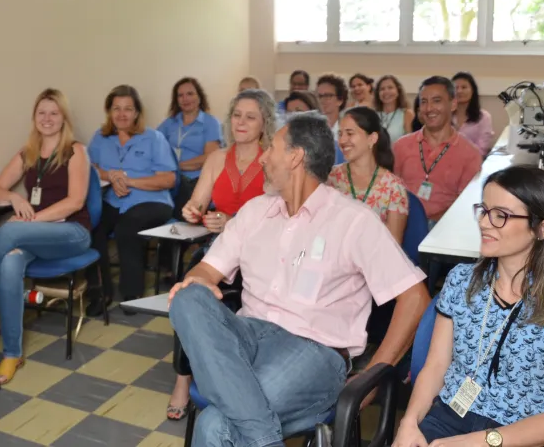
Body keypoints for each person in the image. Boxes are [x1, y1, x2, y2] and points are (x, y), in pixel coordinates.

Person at [168, 112, 430, 447]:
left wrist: (374, 371)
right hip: (247, 337)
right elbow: (206, 271)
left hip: (313, 351)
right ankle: (264, 438)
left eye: (271, 149)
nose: (262, 158)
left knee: (215, 424)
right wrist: (197, 279)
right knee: (188, 297)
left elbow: (416, 298)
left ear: (295, 157)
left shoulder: (353, 221)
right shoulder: (254, 212)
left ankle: (259, 436)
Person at [393, 166, 544, 447]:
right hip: (450, 416)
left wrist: (478, 442)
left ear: (542, 229)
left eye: (500, 215)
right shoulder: (462, 281)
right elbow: (436, 366)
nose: (484, 223)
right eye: (484, 210)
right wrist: (409, 423)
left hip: (524, 434)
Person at [165, 89, 276, 421]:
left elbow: (277, 216)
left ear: (265, 122)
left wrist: (233, 221)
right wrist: (193, 210)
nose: (241, 122)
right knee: (189, 292)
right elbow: (198, 203)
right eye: (237, 115)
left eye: (250, 117)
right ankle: (183, 378)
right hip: (220, 249)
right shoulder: (216, 158)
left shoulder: (273, 159)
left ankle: (236, 376)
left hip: (262, 251)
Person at [0, 89, 92, 385]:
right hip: (38, 234)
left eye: (54, 113)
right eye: (42, 113)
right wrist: (14, 198)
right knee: (10, 263)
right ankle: (12, 354)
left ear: (63, 118)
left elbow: (75, 201)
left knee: (10, 230)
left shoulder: (76, 151)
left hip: (72, 232)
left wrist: (31, 220)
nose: (47, 119)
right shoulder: (27, 153)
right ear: (34, 118)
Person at [87, 85, 177, 315]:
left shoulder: (153, 138)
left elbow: (168, 179)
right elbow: (89, 168)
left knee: (126, 227)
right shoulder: (100, 137)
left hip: (152, 200)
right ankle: (100, 292)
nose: (122, 114)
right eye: (116, 108)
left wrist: (129, 181)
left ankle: (131, 293)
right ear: (109, 111)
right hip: (113, 198)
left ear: (137, 112)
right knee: (91, 226)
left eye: (128, 109)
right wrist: (110, 176)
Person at [393, 76, 483, 223]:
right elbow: (391, 193)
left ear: (453, 104)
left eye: (436, 101)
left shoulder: (470, 154)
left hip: (445, 226)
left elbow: (465, 206)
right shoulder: (401, 146)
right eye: (424, 102)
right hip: (403, 224)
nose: (429, 108)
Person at [328, 107, 409, 244]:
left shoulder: (393, 187)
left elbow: (393, 245)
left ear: (372, 138)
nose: (342, 140)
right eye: (340, 134)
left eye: (350, 133)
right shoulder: (330, 179)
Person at [157, 77, 223, 219]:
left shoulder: (210, 123)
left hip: (197, 179)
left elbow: (210, 158)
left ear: (199, 97)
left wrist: (177, 167)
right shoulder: (169, 123)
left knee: (181, 194)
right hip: (172, 178)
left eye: (190, 94)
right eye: (180, 95)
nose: (185, 99)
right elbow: (154, 146)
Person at [452, 72, 495, 156]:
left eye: (464, 87)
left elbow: (482, 150)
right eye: (456, 88)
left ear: (472, 91)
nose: (459, 91)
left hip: (472, 161)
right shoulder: (444, 116)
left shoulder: (484, 117)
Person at [374, 74, 414, 142]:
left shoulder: (407, 114)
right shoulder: (373, 115)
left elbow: (411, 142)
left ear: (398, 91)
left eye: (390, 87)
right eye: (382, 89)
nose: (386, 91)